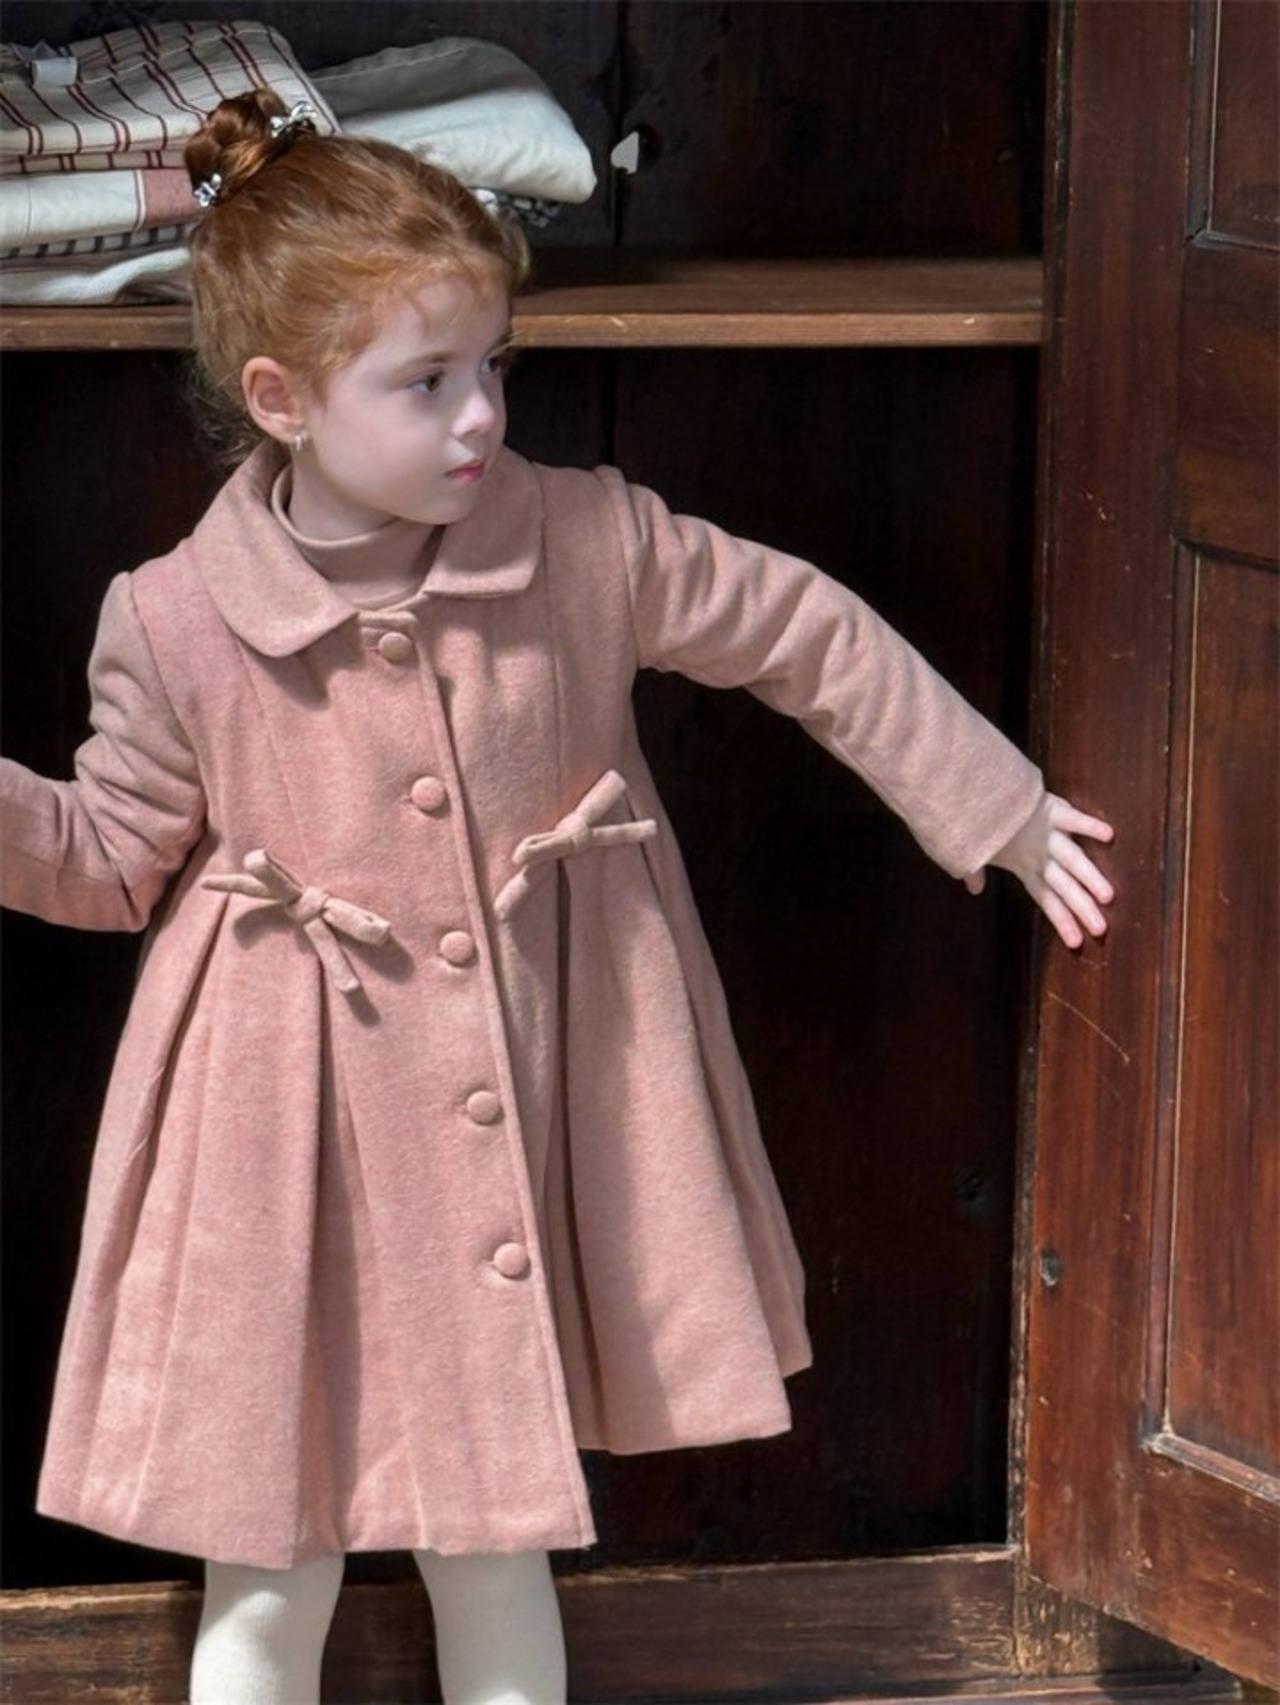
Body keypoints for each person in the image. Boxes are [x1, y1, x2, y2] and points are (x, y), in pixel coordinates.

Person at [0, 91, 1114, 1705]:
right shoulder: (175, 622)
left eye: (494, 365)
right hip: (280, 1150)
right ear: (281, 399)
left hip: (531, 1103)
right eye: (426, 381)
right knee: (268, 1553)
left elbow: (805, 631)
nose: (480, 416)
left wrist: (993, 804)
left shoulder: (588, 541)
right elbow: (106, 856)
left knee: (496, 1534)